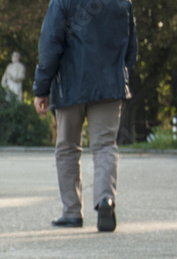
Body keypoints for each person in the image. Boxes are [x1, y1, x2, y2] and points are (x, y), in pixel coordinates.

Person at [34, 0, 137, 232]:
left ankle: (71, 212)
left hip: (70, 87)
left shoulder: (62, 2)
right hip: (109, 88)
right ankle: (105, 199)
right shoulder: (123, 3)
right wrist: (119, 75)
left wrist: (41, 88)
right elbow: (131, 49)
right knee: (105, 145)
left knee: (67, 148)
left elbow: (50, 44)